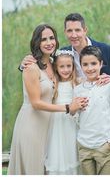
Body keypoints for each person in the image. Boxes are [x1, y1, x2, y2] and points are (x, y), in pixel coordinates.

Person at [20, 13, 110, 174]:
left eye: (77, 30)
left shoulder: (105, 50)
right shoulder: (62, 54)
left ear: (85, 30)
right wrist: (23, 65)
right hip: (80, 122)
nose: (74, 35)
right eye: (69, 31)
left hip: (105, 123)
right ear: (65, 33)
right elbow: (44, 69)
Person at [8, 24, 86, 175]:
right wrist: (68, 107)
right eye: (44, 39)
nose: (49, 42)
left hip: (49, 127)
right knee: (33, 168)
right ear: (37, 42)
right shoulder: (31, 67)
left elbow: (70, 79)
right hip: (31, 125)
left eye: (52, 38)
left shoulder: (53, 63)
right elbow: (36, 103)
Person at [73, 46, 110, 175]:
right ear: (80, 66)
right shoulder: (78, 90)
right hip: (84, 145)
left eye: (94, 63)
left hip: (103, 145)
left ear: (101, 64)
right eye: (85, 64)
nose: (90, 68)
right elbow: (76, 117)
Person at [45, 49, 86, 174]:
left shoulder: (78, 83)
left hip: (72, 123)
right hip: (56, 123)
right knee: (56, 150)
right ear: (56, 68)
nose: (66, 69)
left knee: (71, 150)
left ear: (73, 66)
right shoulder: (53, 83)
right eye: (61, 66)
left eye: (69, 66)